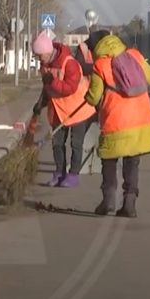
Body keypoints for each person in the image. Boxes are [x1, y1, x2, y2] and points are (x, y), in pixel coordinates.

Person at [84, 33, 150, 218]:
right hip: (141, 120)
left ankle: (108, 201)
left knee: (109, 162)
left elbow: (94, 97)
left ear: (96, 47)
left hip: (115, 122)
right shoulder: (134, 55)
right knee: (132, 163)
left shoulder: (100, 65)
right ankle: (129, 203)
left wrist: (88, 96)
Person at [31, 31, 97, 188]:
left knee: (76, 143)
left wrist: (52, 82)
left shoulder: (70, 63)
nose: (39, 59)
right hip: (58, 111)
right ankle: (59, 173)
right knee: (57, 143)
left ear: (47, 51)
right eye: (37, 56)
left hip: (78, 110)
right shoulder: (44, 66)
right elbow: (47, 88)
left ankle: (73, 175)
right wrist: (40, 104)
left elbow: (70, 88)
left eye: (40, 55)